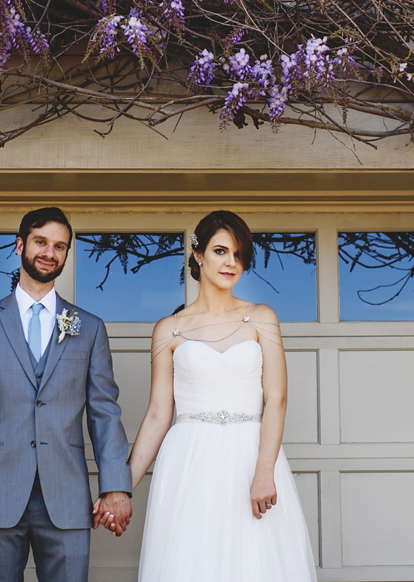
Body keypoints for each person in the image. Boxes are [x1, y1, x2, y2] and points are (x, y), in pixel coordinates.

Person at [125, 210, 318, 582]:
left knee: (256, 561)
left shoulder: (262, 317)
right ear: (198, 256)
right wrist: (121, 488)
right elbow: (157, 414)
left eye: (239, 254)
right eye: (220, 251)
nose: (231, 262)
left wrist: (264, 471)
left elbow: (276, 400)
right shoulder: (169, 329)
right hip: (189, 463)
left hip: (250, 457)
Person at [0, 206, 133, 582]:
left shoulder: (89, 328)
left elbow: (104, 413)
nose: (50, 253)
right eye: (41, 242)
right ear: (20, 246)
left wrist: (116, 486)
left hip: (66, 496)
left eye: (60, 246)